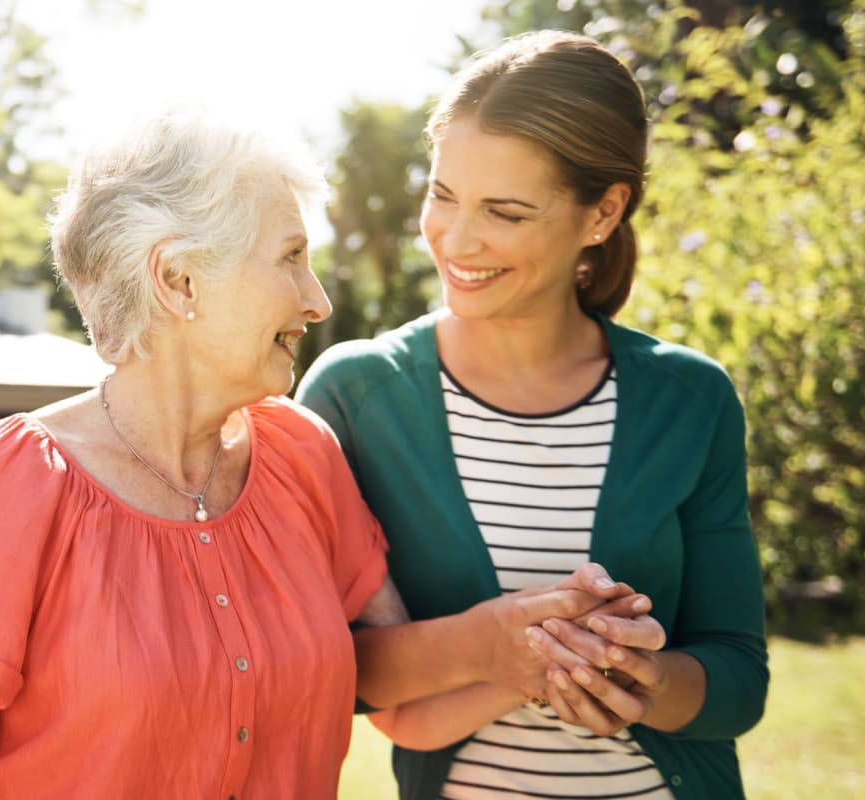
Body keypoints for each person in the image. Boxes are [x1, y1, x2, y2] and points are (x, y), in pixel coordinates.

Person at [0, 107, 659, 799]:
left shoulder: (302, 451)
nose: (318, 300)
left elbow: (402, 707)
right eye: (289, 258)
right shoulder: (11, 481)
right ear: (178, 280)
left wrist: (546, 649)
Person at [297, 30, 769, 800]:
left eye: (505, 212)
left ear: (603, 213)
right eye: (442, 195)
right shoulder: (354, 398)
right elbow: (319, 668)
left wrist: (644, 675)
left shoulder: (692, 398)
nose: (457, 238)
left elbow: (739, 681)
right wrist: (493, 649)